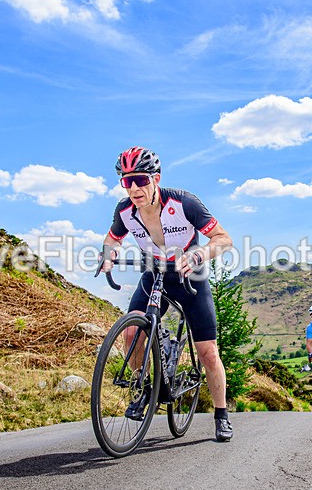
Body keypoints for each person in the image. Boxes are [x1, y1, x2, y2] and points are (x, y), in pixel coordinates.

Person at [100, 146, 235, 442]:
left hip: (190, 276)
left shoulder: (185, 203)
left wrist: (198, 256)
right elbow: (113, 238)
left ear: (156, 179)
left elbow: (224, 239)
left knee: (207, 352)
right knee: (131, 331)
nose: (134, 187)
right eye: (127, 181)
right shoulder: (125, 211)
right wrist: (108, 255)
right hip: (154, 274)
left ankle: (221, 414)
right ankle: (142, 386)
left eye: (141, 180)